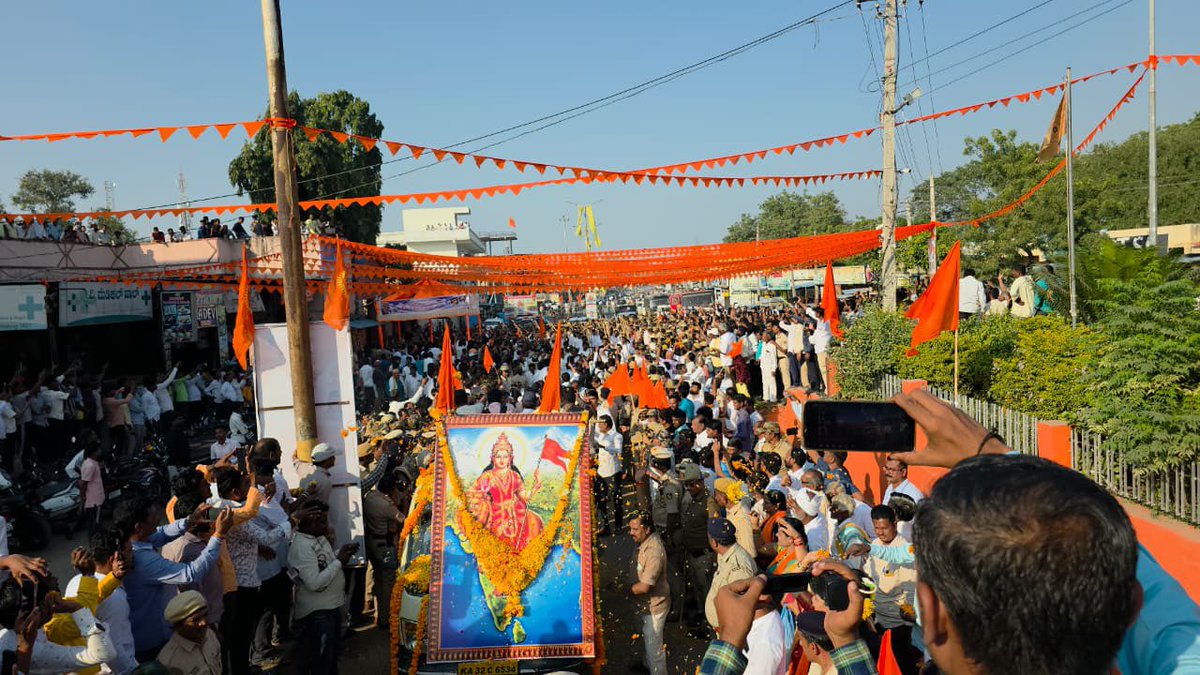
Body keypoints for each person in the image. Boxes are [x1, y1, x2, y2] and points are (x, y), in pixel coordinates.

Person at [116, 495, 231, 659]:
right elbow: (190, 574)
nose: (158, 519)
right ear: (139, 527)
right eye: (153, 517)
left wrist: (188, 522)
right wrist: (218, 536)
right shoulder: (143, 560)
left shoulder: (136, 541)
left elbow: (161, 533)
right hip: (153, 642)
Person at [288, 499, 357, 675]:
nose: (326, 526)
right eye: (322, 522)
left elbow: (324, 563)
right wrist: (339, 562)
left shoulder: (317, 538)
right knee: (322, 663)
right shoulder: (302, 546)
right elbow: (314, 583)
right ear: (310, 522)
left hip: (329, 608)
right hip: (318, 613)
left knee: (330, 660)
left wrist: (339, 554)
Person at [64, 529, 139, 675]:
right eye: (130, 551)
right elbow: (115, 645)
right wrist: (130, 670)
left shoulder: (77, 581)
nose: (133, 555)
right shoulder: (114, 598)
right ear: (114, 558)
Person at [863, 504, 919, 675]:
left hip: (899, 625)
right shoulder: (874, 544)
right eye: (877, 528)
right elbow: (869, 572)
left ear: (895, 523)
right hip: (879, 618)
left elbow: (910, 588)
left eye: (885, 528)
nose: (880, 532)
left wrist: (908, 625)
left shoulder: (905, 548)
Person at [464, 432, 543, 549]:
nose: (502, 460)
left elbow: (524, 496)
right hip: (495, 512)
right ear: (492, 458)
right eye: (498, 456)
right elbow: (471, 492)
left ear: (510, 459)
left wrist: (536, 485)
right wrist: (482, 496)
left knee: (530, 523)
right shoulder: (486, 476)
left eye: (505, 457)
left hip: (516, 511)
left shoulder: (515, 476)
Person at [628, 512, 669, 675]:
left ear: (647, 529)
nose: (631, 533)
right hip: (642, 605)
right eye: (630, 529)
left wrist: (624, 589)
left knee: (655, 651)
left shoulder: (654, 551)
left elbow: (645, 587)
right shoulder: (643, 541)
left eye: (635, 529)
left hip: (654, 608)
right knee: (647, 642)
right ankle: (647, 667)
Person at [362, 473, 402, 629]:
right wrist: (399, 501)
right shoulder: (387, 505)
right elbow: (403, 519)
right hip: (384, 544)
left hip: (372, 542)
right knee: (387, 582)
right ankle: (385, 618)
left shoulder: (370, 498)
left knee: (378, 580)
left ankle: (379, 615)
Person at [704, 518, 758, 631]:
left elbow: (739, 607)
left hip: (729, 631)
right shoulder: (726, 555)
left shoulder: (738, 566)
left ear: (714, 542)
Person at [154, 591, 222, 675]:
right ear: (178, 626)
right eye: (195, 620)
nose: (203, 623)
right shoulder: (169, 662)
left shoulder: (209, 634)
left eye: (205, 615)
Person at [592, 414, 624, 536]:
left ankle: (618, 526)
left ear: (606, 425)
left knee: (617, 499)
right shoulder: (600, 436)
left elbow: (618, 451)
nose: (599, 426)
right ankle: (605, 526)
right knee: (601, 500)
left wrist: (604, 446)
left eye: (600, 424)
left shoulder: (617, 436)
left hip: (613, 472)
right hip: (601, 472)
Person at [880, 457, 923, 541]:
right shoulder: (889, 488)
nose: (887, 472)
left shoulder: (913, 495)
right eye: (886, 468)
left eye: (892, 470)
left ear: (903, 472)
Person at [77, 443, 105, 535]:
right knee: (95, 524)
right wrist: (82, 497)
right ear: (94, 452)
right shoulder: (90, 466)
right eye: (98, 450)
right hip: (94, 501)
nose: (100, 451)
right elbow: (83, 483)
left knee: (94, 523)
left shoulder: (91, 463)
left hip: (95, 500)